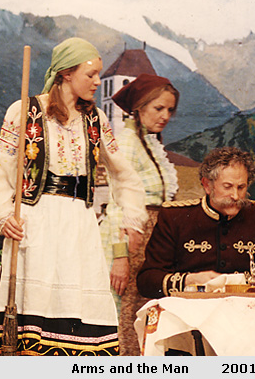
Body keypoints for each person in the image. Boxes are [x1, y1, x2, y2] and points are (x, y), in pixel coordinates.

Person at [0, 37, 148, 356]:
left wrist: (132, 218)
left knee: (79, 311)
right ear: (66, 73)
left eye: (99, 74)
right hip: (36, 220)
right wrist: (4, 215)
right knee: (35, 315)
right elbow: (2, 165)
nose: (97, 82)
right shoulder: (25, 111)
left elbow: (123, 172)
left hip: (78, 223)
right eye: (91, 74)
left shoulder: (95, 119)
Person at [137, 146, 255, 299]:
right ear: (207, 185)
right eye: (227, 187)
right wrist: (189, 280)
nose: (235, 196)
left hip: (246, 309)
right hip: (192, 312)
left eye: (241, 187)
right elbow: (147, 280)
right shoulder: (175, 217)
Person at [99, 73, 180, 355]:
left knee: (142, 311)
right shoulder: (127, 143)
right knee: (125, 311)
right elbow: (117, 203)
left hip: (150, 240)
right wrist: (120, 256)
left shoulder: (148, 143)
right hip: (129, 237)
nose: (165, 116)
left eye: (170, 110)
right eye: (158, 108)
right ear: (139, 107)